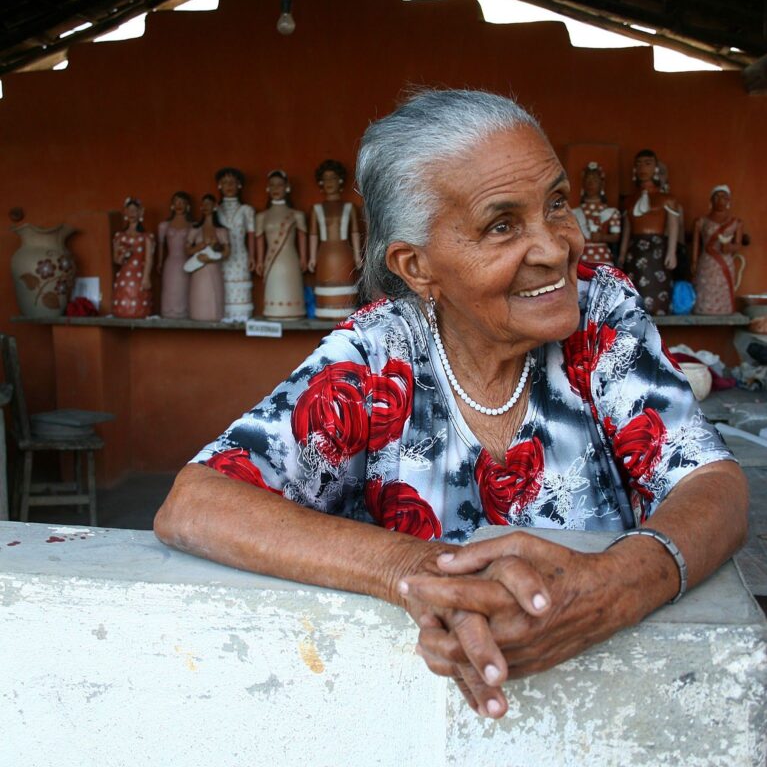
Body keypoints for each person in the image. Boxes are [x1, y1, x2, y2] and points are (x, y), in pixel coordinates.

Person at [155, 90, 747, 720]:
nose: (557, 249)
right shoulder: (377, 354)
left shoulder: (599, 313)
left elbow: (716, 486)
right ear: (418, 268)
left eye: (555, 204)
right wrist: (418, 570)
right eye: (502, 225)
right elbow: (195, 505)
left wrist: (618, 586)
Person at [618, 150, 681, 315]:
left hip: (657, 250)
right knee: (634, 295)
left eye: (647, 163)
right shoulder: (629, 200)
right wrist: (622, 254)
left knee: (657, 290)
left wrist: (672, 252)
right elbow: (627, 229)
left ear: (656, 168)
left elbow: (674, 226)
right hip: (635, 250)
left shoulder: (667, 199)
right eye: (638, 164)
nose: (642, 168)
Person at [308, 159, 362, 320]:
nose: (329, 182)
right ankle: (326, 311)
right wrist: (311, 257)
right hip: (324, 255)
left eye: (332, 178)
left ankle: (345, 312)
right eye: (325, 179)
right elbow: (313, 235)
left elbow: (354, 233)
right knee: (326, 287)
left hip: (345, 254)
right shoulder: (316, 209)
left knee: (345, 286)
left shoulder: (349, 208)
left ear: (340, 181)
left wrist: (358, 255)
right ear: (320, 183)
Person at [256, 170, 308, 319]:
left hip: (290, 260)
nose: (275, 188)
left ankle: (294, 311)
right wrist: (259, 261)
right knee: (274, 289)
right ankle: (273, 311)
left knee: (290, 287)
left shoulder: (297, 215)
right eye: (272, 185)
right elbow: (259, 240)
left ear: (287, 187)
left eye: (279, 185)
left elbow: (302, 238)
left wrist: (304, 258)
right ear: (267, 188)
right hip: (271, 261)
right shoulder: (262, 216)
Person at [692, 185, 745, 315]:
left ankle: (724, 310)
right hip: (707, 262)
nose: (720, 200)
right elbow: (696, 245)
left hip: (725, 262)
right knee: (706, 288)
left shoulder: (736, 222)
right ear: (711, 200)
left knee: (723, 288)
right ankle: (703, 310)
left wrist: (730, 247)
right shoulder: (701, 222)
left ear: (729, 201)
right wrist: (693, 262)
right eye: (717, 196)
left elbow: (738, 244)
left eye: (724, 197)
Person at [215, 167, 256, 320]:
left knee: (240, 289)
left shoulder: (247, 210)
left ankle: (241, 317)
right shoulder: (215, 209)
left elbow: (251, 235)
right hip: (221, 257)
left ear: (239, 185)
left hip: (240, 255)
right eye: (225, 182)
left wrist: (253, 257)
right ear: (219, 185)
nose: (229, 186)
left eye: (232, 182)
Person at [186, 193, 230, 322]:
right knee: (199, 293)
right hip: (198, 268)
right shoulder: (195, 229)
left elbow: (227, 252)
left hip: (213, 267)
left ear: (215, 206)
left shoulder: (221, 230)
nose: (205, 206)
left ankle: (214, 314)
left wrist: (212, 258)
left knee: (213, 294)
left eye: (208, 204)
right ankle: (197, 314)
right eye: (203, 204)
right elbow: (188, 250)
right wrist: (202, 245)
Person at [112, 197, 154, 319]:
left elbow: (149, 259)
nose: (132, 214)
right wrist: (124, 255)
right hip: (124, 275)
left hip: (138, 275)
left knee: (138, 306)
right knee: (123, 304)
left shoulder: (146, 236)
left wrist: (146, 277)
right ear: (125, 212)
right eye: (129, 210)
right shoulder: (119, 236)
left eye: (135, 210)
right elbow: (116, 260)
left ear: (140, 213)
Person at [572, 161, 620, 265]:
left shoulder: (611, 212)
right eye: (588, 180)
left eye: (594, 180)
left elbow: (616, 237)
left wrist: (602, 237)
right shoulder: (574, 212)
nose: (591, 183)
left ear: (602, 184)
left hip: (603, 257)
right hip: (581, 258)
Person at [157, 191, 194, 319]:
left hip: (187, 262)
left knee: (183, 289)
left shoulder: (193, 226)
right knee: (170, 288)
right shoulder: (164, 226)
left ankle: (185, 312)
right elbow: (161, 246)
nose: (179, 205)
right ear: (172, 205)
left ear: (188, 206)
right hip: (170, 262)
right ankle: (168, 313)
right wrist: (159, 262)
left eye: (182, 202)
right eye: (176, 202)